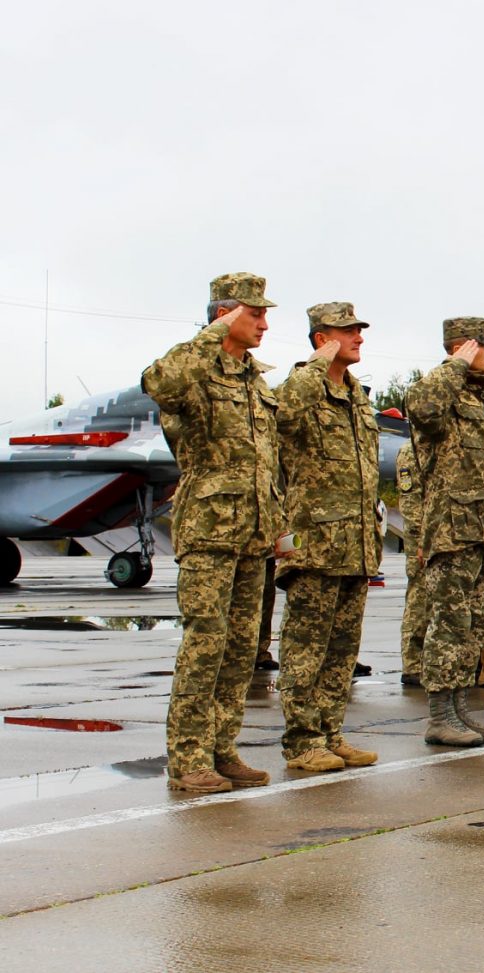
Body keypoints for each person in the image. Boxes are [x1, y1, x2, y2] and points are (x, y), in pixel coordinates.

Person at [142, 272, 284, 793]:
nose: (265, 324)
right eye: (256, 313)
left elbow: (266, 462)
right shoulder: (195, 371)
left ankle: (223, 749)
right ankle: (188, 760)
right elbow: (158, 383)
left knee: (242, 649)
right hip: (209, 530)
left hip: (252, 531)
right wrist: (208, 336)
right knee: (205, 643)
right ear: (226, 314)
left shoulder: (254, 379)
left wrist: (276, 526)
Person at [272, 301, 383, 773]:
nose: (359, 337)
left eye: (359, 330)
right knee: (305, 649)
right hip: (315, 545)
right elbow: (283, 412)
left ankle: (331, 732)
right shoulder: (304, 387)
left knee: (341, 650)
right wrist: (316, 364)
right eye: (348, 331)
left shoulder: (357, 396)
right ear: (322, 338)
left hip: (355, 545)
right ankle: (302, 742)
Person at [405, 317, 484, 746]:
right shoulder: (442, 395)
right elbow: (423, 409)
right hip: (451, 531)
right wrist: (454, 366)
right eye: (482, 345)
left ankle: (460, 710)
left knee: (473, 627)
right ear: (461, 348)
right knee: (448, 625)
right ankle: (439, 716)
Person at [395, 440, 427, 686]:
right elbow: (410, 500)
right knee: (419, 598)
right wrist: (422, 538)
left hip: (444, 533)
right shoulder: (410, 450)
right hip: (422, 538)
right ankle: (413, 663)